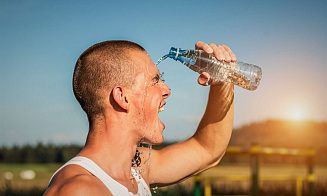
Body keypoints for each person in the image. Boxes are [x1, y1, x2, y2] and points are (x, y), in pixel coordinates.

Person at [44, 40, 236, 196]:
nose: (167, 90)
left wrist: (223, 79)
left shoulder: (136, 169)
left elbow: (207, 150)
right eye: (155, 80)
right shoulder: (79, 190)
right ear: (123, 97)